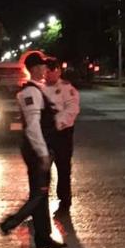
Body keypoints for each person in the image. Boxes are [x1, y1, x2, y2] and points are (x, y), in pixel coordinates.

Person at [0, 52, 65, 248]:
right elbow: (33, 127)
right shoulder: (31, 92)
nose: (46, 69)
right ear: (35, 68)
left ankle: (43, 237)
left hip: (39, 148)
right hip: (36, 150)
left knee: (43, 193)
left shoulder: (38, 90)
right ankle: (10, 223)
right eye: (43, 66)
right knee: (39, 193)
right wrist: (43, 153)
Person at [43, 58, 80, 214]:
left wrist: (55, 124)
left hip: (62, 134)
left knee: (63, 168)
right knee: (42, 171)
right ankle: (39, 202)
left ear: (58, 71)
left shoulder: (67, 89)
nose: (49, 74)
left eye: (52, 70)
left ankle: (65, 200)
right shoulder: (39, 88)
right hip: (43, 134)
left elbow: (72, 110)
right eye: (46, 71)